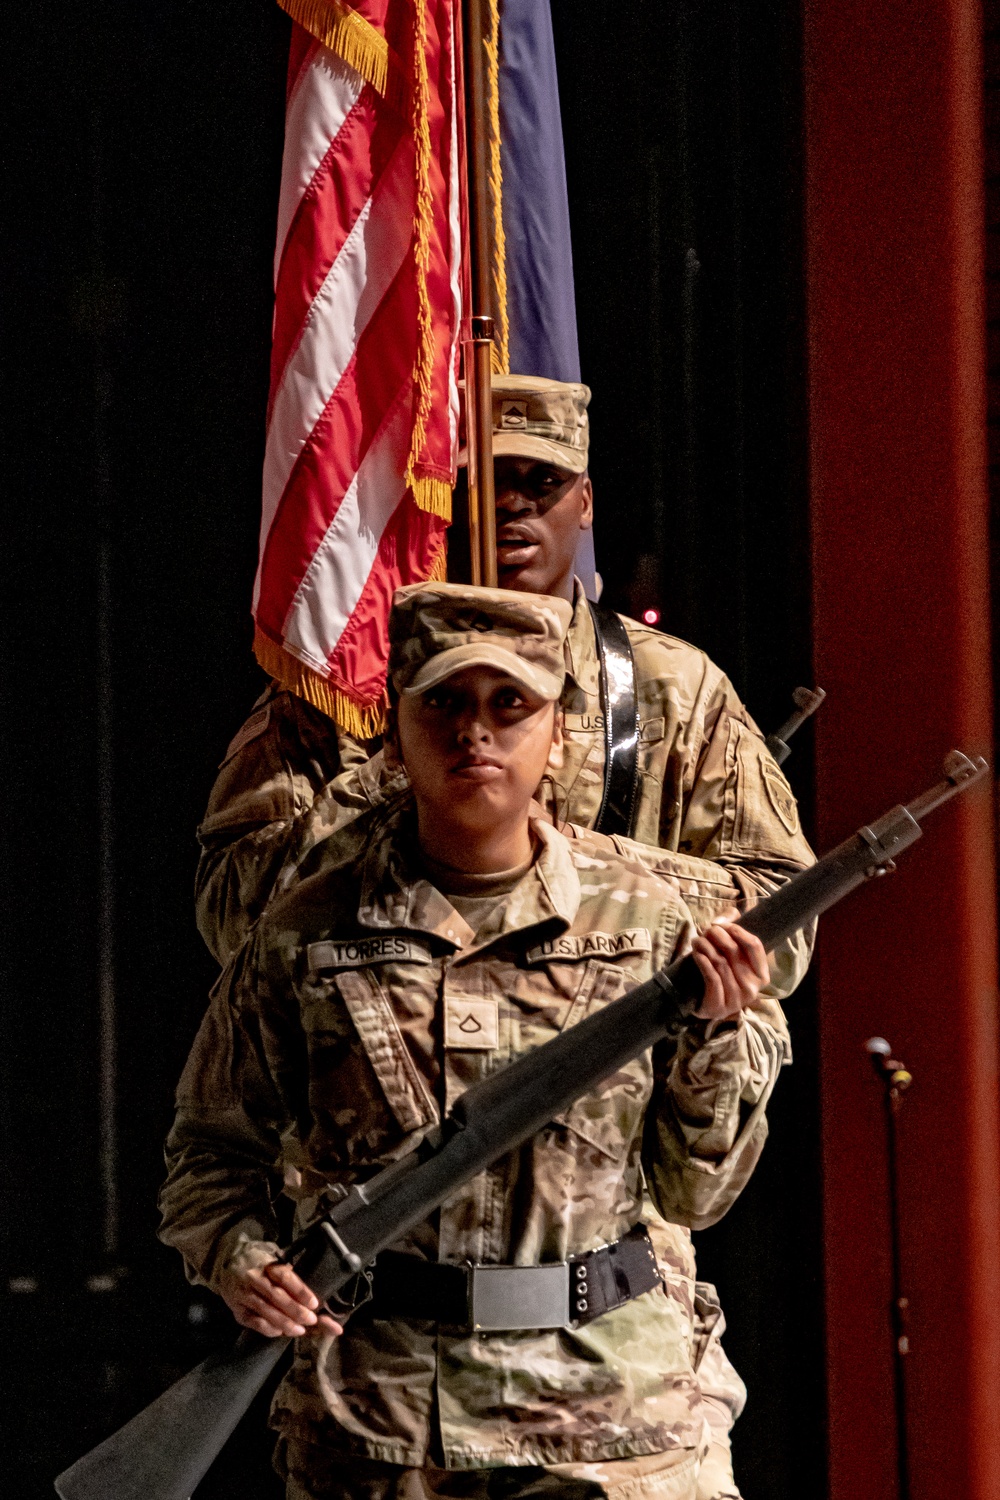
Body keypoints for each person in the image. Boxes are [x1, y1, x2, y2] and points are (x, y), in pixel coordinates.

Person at [191, 376, 815, 1500]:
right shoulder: (335, 692)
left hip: (604, 1232)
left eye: (542, 485)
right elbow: (236, 918)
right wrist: (424, 797)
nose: (513, 511)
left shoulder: (664, 690)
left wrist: (594, 898)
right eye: (484, 485)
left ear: (585, 503)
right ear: (433, 497)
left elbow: (780, 911)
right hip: (395, 1297)